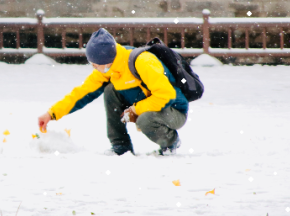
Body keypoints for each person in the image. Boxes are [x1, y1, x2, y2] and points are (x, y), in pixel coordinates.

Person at [37, 28, 188, 156]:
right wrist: (52, 113)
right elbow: (82, 92)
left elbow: (166, 95)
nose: (94, 68)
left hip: (173, 110)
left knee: (145, 120)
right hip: (147, 106)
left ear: (106, 60)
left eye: (95, 64)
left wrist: (135, 110)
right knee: (111, 90)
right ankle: (121, 147)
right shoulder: (109, 69)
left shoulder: (143, 62)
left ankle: (170, 144)